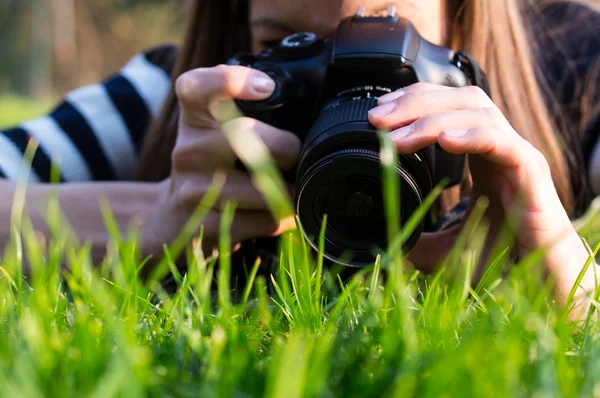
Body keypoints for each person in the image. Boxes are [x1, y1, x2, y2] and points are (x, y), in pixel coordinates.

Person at [0, 0, 598, 313]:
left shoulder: (572, 69)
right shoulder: (183, 97)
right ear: (236, 29)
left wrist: (573, 282)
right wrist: (155, 214)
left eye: (388, 31)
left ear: (461, 29)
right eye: (286, 46)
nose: (342, 90)